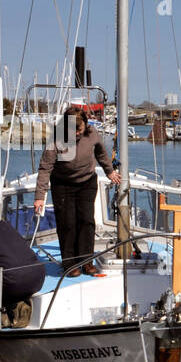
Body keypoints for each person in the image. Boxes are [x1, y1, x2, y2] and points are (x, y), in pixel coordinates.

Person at [34, 108, 120, 277]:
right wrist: (39, 197)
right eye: (73, 131)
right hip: (63, 185)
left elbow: (101, 153)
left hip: (87, 183)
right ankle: (70, 264)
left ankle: (86, 261)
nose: (77, 134)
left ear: (85, 125)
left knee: (86, 221)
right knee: (68, 224)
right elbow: (45, 168)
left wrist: (109, 171)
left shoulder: (92, 133)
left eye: (79, 130)